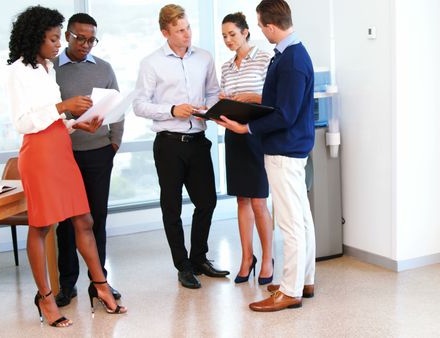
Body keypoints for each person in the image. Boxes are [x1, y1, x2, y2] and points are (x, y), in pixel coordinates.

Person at [6, 6, 126, 327]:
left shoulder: (46, 68)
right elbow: (23, 122)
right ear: (36, 38)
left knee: (84, 219)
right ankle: (46, 298)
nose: (58, 44)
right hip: (40, 155)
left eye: (59, 38)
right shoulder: (18, 71)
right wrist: (64, 106)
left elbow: (53, 119)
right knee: (42, 226)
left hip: (61, 148)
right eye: (54, 38)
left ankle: (100, 286)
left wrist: (75, 124)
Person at [214, 0, 316, 312]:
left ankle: (289, 290)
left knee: (290, 222)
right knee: (302, 218)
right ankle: (304, 280)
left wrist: (247, 128)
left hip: (284, 149)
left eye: (259, 25)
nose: (259, 30)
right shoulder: (288, 54)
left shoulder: (292, 60)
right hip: (289, 147)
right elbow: (281, 105)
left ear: (271, 26)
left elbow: (284, 115)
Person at [133, 4, 229, 289]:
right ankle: (182, 264)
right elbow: (139, 105)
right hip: (169, 145)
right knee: (172, 208)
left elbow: (213, 92)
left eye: (188, 28)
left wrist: (208, 110)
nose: (187, 35)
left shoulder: (204, 57)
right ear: (165, 32)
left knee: (207, 202)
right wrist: (173, 110)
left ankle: (199, 258)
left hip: (198, 141)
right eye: (180, 31)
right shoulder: (151, 63)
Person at [52, 13, 124, 307]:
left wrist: (114, 142)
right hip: (63, 154)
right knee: (66, 223)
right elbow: (46, 112)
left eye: (91, 39)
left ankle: (99, 283)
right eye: (79, 38)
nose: (85, 44)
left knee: (97, 219)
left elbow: (118, 106)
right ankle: (66, 285)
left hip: (98, 152)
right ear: (67, 35)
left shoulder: (104, 68)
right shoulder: (50, 68)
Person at [219, 12, 274, 285]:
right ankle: (246, 258)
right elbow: (226, 97)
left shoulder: (264, 58)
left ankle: (267, 258)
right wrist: (221, 105)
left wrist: (252, 97)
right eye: (225, 36)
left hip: (256, 135)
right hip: (234, 135)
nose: (229, 40)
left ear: (246, 32)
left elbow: (273, 99)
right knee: (241, 200)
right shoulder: (226, 67)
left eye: (232, 34)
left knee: (259, 201)